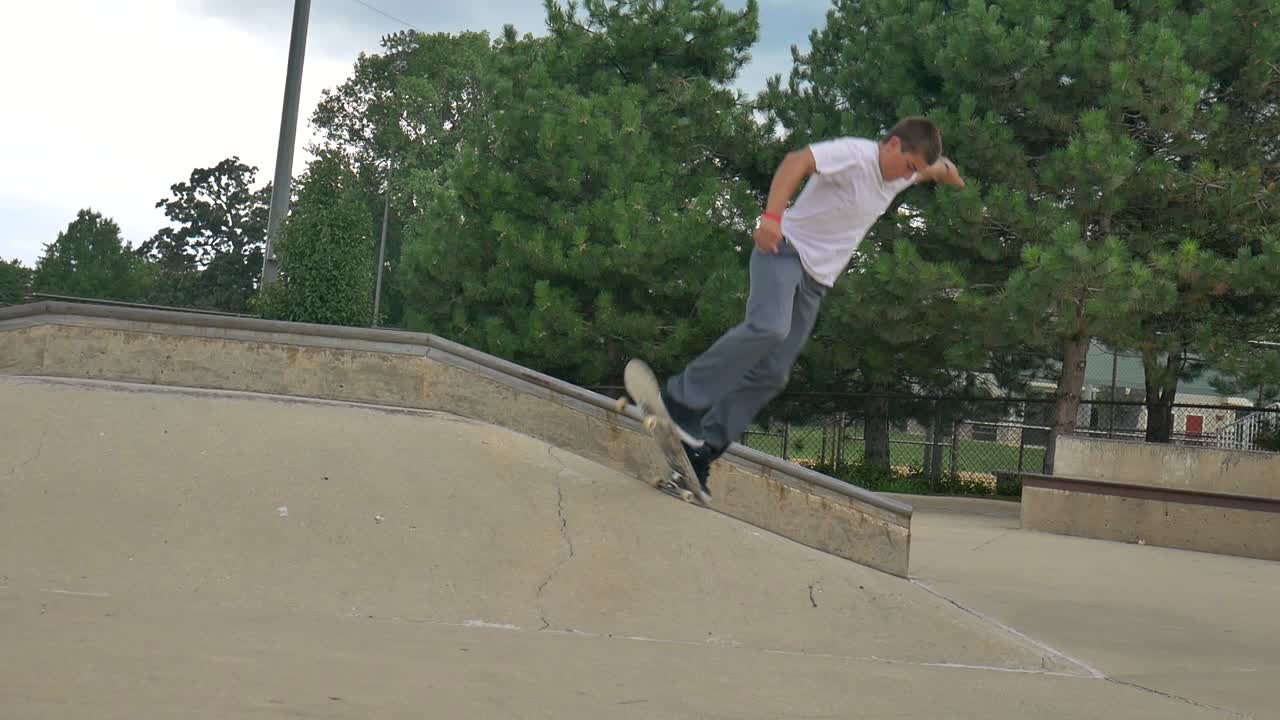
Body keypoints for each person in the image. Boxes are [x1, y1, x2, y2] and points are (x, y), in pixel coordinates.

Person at [659, 116, 966, 497]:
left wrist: (947, 174)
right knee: (770, 327)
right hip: (783, 251)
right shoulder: (854, 154)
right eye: (908, 165)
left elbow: (935, 168)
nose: (907, 176)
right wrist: (771, 218)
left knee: (773, 373)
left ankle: (703, 451)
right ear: (891, 145)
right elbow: (796, 161)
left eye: (914, 171)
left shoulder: (905, 171)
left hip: (816, 282)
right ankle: (680, 397)